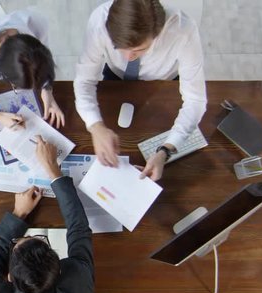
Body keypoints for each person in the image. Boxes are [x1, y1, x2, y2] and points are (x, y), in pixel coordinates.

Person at [0, 136, 119, 293]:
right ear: (60, 268)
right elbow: (79, 228)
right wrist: (53, 170)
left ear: (9, 277)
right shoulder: (77, 283)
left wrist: (20, 213)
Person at [74, 0, 207, 181]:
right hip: (116, 77)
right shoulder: (100, 21)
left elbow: (196, 100)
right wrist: (96, 126)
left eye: (139, 50)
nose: (127, 57)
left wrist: (166, 150)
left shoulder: (183, 31)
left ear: (158, 33)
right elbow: (84, 80)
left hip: (163, 81)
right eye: (119, 47)